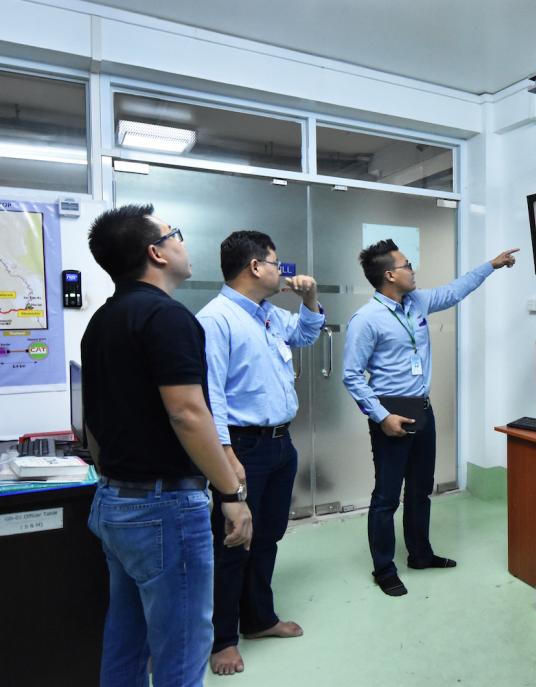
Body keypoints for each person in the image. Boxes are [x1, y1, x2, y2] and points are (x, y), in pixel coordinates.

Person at [82, 204, 253, 687]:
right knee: (180, 650)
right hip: (164, 508)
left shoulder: (102, 321)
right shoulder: (167, 317)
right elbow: (187, 412)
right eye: (174, 234)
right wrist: (231, 494)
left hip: (113, 500)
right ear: (156, 253)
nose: (182, 241)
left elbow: (93, 421)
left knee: (127, 641)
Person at [343, 240, 518, 596]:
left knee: (421, 489)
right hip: (390, 412)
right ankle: (384, 568)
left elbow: (455, 290)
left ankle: (420, 554)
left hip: (422, 408)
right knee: (387, 496)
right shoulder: (366, 320)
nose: (413, 269)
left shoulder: (417, 302)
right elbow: (351, 375)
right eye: (407, 265)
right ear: (390, 274)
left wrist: (492, 265)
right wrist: (381, 417)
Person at [196, 230, 324, 675]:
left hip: (279, 444)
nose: (280, 269)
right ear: (255, 267)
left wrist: (310, 299)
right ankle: (222, 640)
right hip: (242, 447)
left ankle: (259, 619)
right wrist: (226, 456)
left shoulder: (268, 314)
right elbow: (210, 396)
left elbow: (307, 335)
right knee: (233, 542)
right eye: (275, 261)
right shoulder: (217, 319)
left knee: (267, 537)